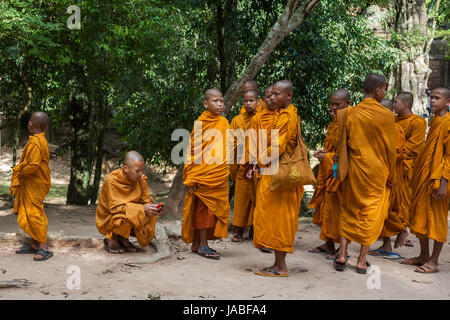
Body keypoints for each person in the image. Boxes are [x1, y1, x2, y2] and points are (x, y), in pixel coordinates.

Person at [334, 74, 396, 274]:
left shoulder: (348, 113)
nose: (384, 93)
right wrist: (392, 176)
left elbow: (341, 145)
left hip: (354, 170)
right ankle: (361, 261)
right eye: (384, 89)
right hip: (377, 172)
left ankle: (342, 255)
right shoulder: (386, 115)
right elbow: (390, 150)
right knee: (370, 214)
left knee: (348, 209)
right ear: (378, 90)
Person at [248, 80, 304, 277]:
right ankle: (278, 264)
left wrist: (259, 162)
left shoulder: (287, 117)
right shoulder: (283, 114)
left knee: (280, 219)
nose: (272, 97)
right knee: (275, 218)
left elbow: (277, 147)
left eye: (277, 94)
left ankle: (280, 267)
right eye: (270, 94)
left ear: (288, 96)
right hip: (276, 173)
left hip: (281, 175)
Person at [401, 87, 450, 273]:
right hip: (425, 177)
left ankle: (434, 261)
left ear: (448, 102)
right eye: (431, 97)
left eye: (438, 98)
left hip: (440, 179)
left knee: (437, 219)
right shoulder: (436, 121)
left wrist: (444, 181)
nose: (433, 101)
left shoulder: (448, 123)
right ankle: (423, 255)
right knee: (420, 215)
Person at [182, 88, 230, 260]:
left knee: (212, 210)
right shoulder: (200, 123)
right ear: (205, 103)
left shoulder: (224, 122)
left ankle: (197, 243)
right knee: (204, 210)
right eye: (215, 101)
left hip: (218, 174)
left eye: (221, 101)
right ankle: (203, 245)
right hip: (203, 175)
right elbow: (193, 152)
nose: (219, 104)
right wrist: (193, 176)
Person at [308, 89, 350, 260]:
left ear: (347, 104)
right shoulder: (333, 124)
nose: (332, 108)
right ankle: (329, 244)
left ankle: (343, 249)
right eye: (331, 104)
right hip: (328, 173)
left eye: (337, 105)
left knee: (341, 212)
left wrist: (329, 157)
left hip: (341, 175)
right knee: (326, 209)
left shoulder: (351, 123)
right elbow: (333, 148)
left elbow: (350, 153)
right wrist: (324, 154)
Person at [96, 151, 162, 253]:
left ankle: (123, 238)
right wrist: (142, 209)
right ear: (125, 169)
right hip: (109, 218)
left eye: (142, 170)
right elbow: (115, 209)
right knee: (122, 218)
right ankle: (111, 238)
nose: (141, 174)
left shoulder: (141, 180)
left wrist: (152, 207)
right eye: (137, 171)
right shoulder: (112, 181)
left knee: (148, 215)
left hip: (129, 212)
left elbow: (146, 200)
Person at [10, 111, 53, 261]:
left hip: (35, 183)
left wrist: (19, 170)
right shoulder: (38, 140)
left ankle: (44, 247)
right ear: (46, 127)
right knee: (28, 213)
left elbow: (34, 166)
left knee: (35, 214)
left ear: (30, 124)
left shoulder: (36, 142)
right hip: (32, 183)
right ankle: (35, 243)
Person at [369, 98, 408, 259]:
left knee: (387, 209)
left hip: (391, 175)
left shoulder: (395, 130)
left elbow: (397, 154)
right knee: (382, 209)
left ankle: (401, 230)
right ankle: (386, 245)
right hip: (379, 174)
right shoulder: (379, 128)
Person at [230, 90, 260, 243]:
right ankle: (238, 230)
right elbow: (231, 142)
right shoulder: (237, 120)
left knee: (257, 199)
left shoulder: (262, 118)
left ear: (258, 101)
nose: (248, 104)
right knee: (241, 198)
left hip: (257, 164)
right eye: (245, 101)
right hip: (241, 163)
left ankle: (255, 230)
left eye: (251, 100)